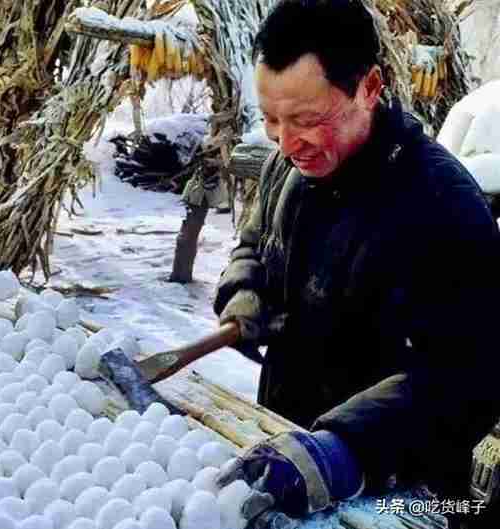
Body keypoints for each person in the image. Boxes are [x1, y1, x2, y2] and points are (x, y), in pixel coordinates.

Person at [213, 0, 500, 527]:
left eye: (305, 119)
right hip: (284, 450)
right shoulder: (290, 165)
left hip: (397, 489)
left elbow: (470, 375)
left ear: (369, 88)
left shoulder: (440, 204)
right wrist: (245, 292)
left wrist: (344, 448)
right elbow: (255, 243)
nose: (284, 140)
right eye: (271, 119)